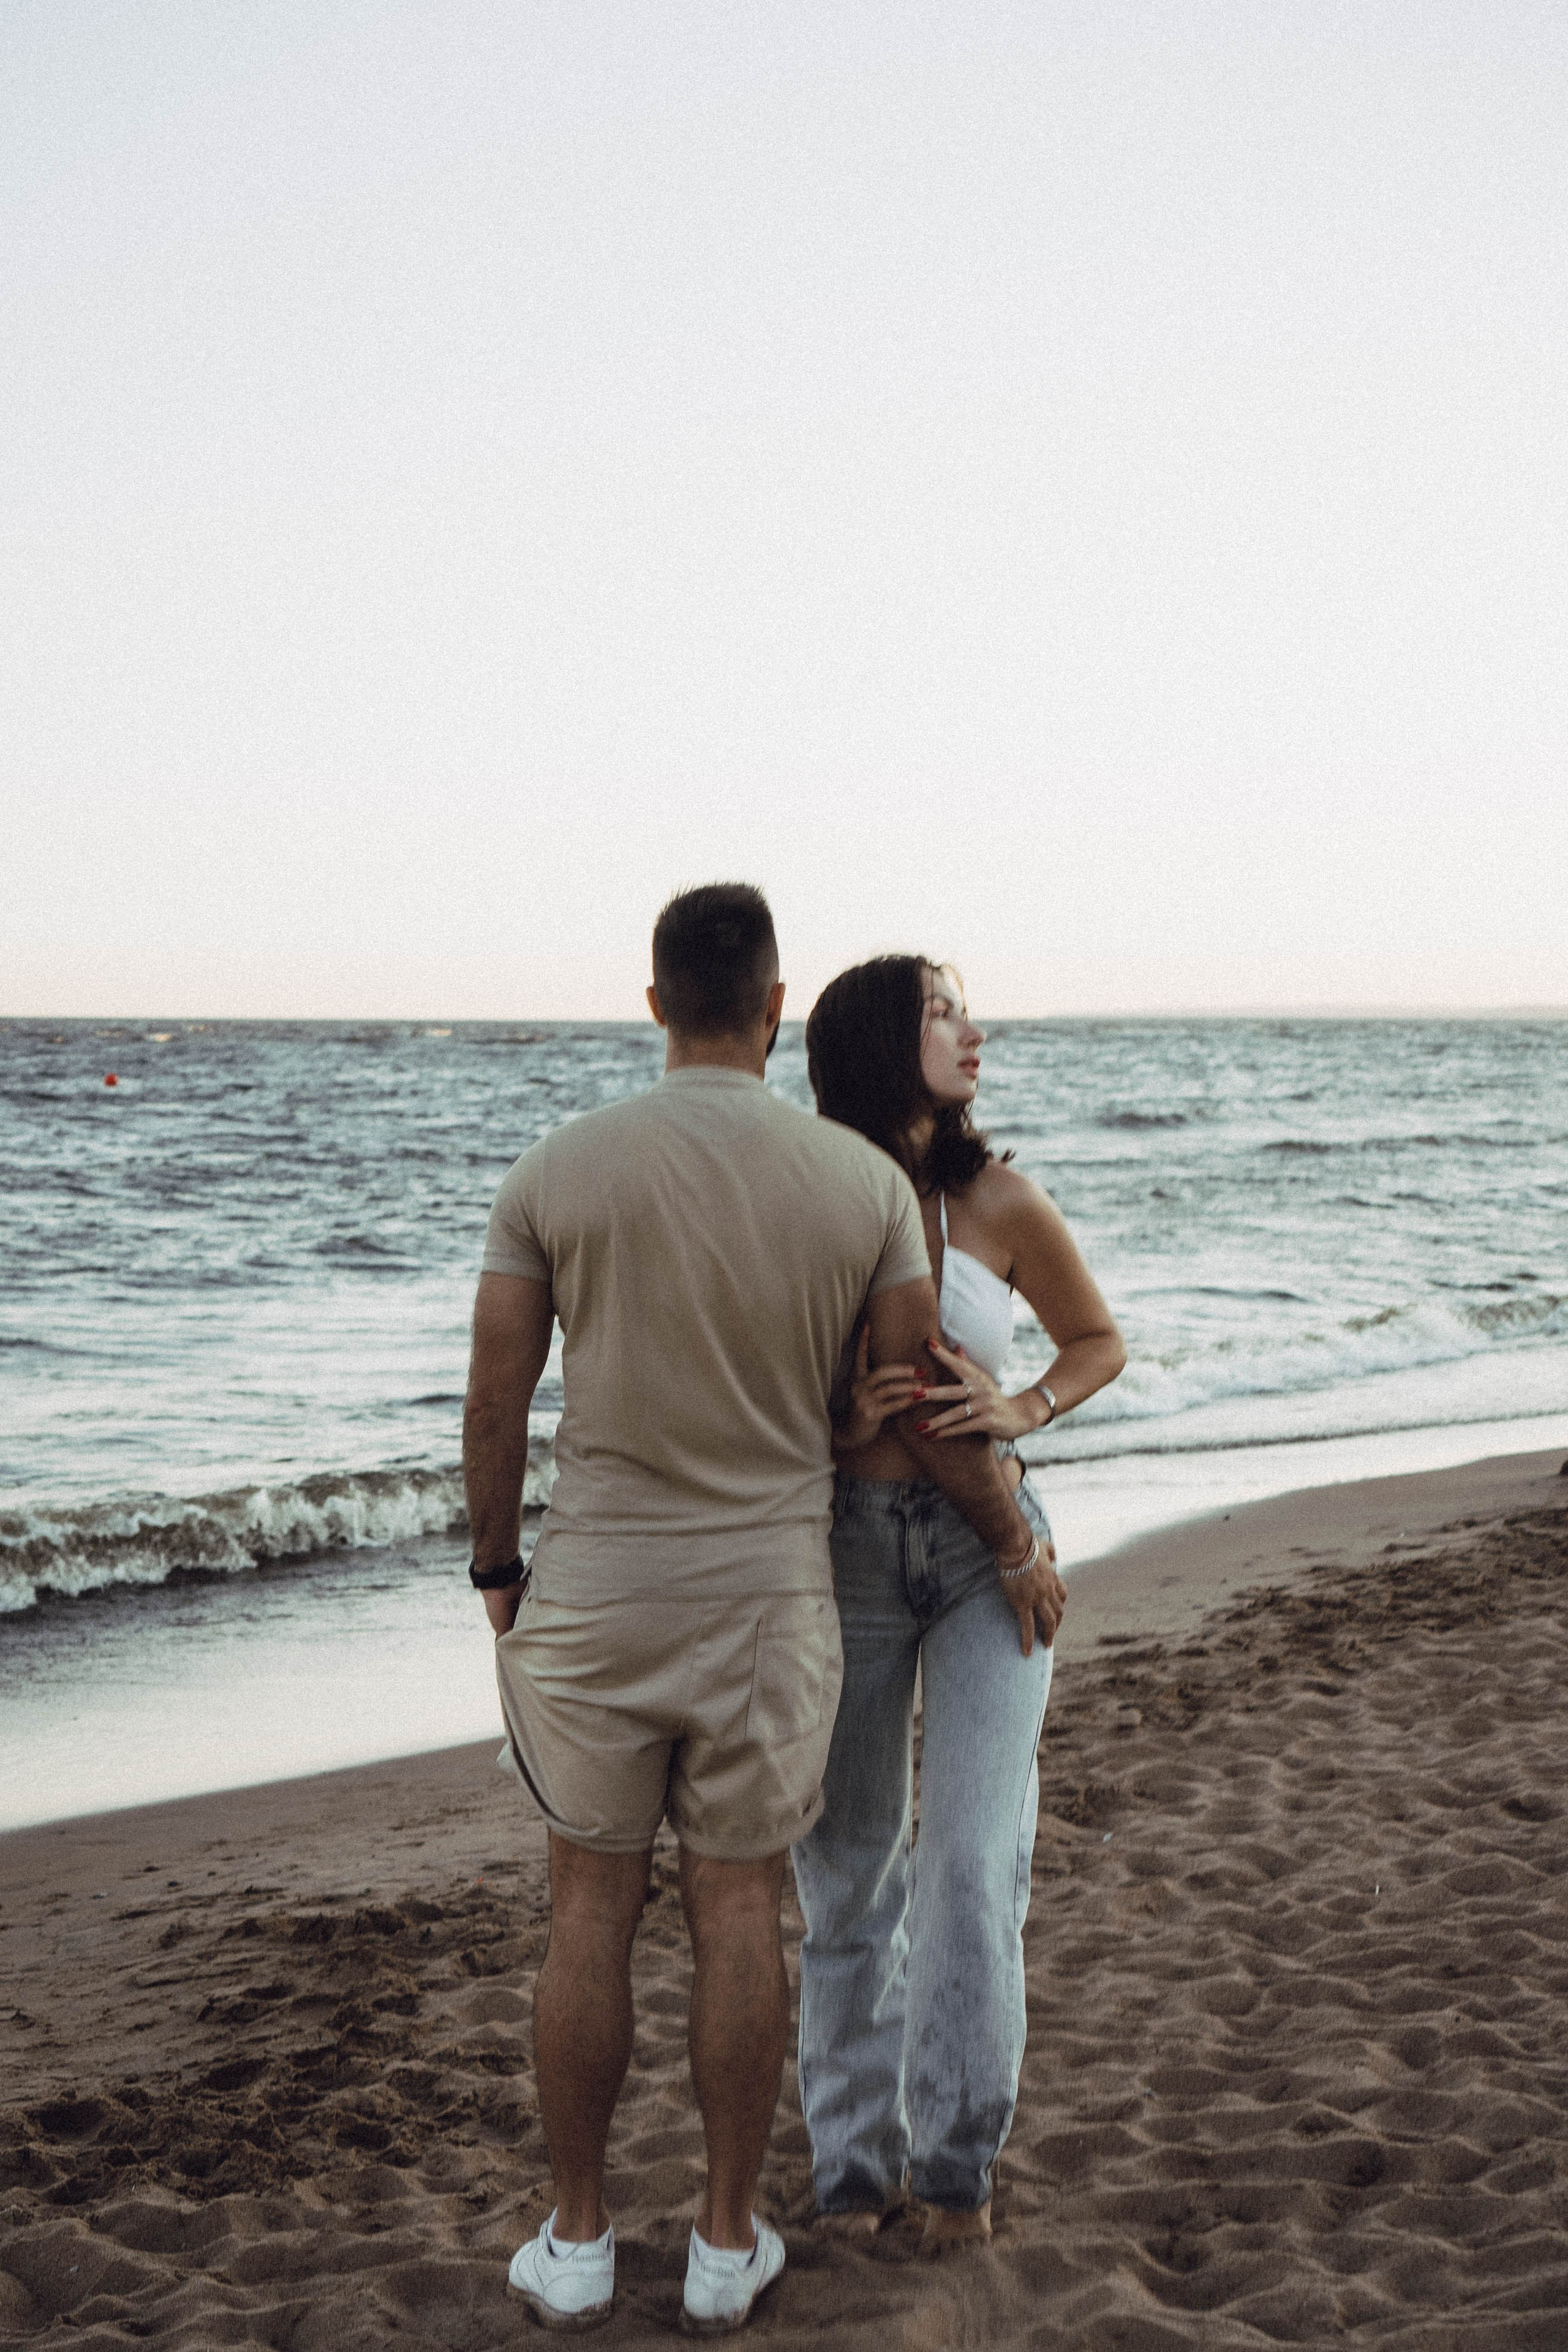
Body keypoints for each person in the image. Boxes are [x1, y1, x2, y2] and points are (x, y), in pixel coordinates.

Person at [462, 888, 1050, 2334]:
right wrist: (1011, 1536)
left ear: (653, 1003)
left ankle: (581, 2239)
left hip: (598, 1596)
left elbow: (493, 1403)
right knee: (742, 1907)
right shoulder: (854, 1191)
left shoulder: (555, 1168)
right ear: (774, 1007)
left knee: (586, 1910)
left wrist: (497, 1573)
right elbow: (915, 1401)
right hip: (773, 1598)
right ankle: (728, 2244)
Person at [792, 955, 1126, 2255]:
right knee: (847, 1883)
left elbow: (1094, 1339)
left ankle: (952, 2173)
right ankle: (847, 2177)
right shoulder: (810, 1202)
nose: (972, 1031)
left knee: (974, 1864)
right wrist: (830, 1422)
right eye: (942, 1012)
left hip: (998, 1550)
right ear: (881, 1039)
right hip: (848, 1552)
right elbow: (748, 1381)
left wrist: (1028, 1404)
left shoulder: (998, 1200)